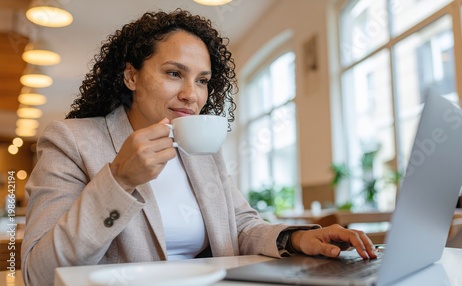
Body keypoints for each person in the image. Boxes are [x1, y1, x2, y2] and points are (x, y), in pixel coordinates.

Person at [21, 9, 377, 285]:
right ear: (131, 76)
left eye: (202, 80)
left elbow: (240, 225)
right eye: (174, 73)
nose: (192, 95)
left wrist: (298, 239)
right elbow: (39, 274)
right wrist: (118, 180)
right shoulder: (71, 140)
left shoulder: (199, 147)